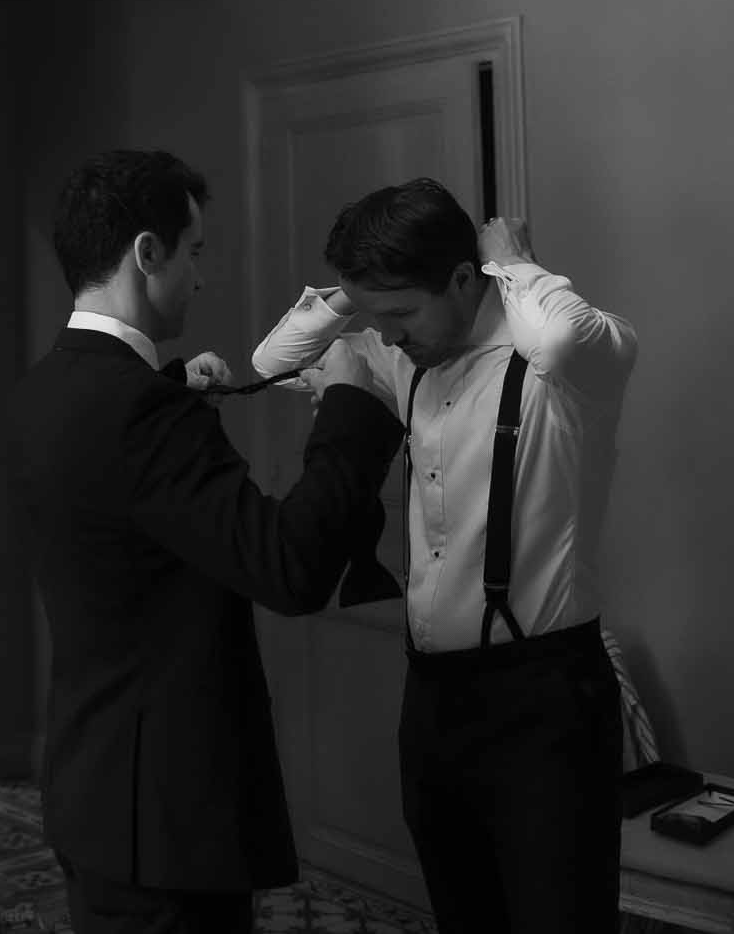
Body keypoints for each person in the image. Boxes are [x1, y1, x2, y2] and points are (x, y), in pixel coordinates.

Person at [6, 149, 406, 934]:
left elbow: (123, 516)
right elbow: (289, 567)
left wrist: (174, 388)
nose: (201, 276)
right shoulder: (146, 413)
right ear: (145, 255)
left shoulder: (43, 389)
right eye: (194, 253)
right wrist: (350, 412)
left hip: (93, 793)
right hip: (167, 825)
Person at [250, 178, 639, 934]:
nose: (387, 335)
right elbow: (271, 358)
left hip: (546, 700)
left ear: (464, 279)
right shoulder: (407, 360)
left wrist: (511, 260)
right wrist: (354, 296)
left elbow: (555, 334)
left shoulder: (570, 363)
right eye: (376, 318)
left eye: (399, 314)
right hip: (432, 703)